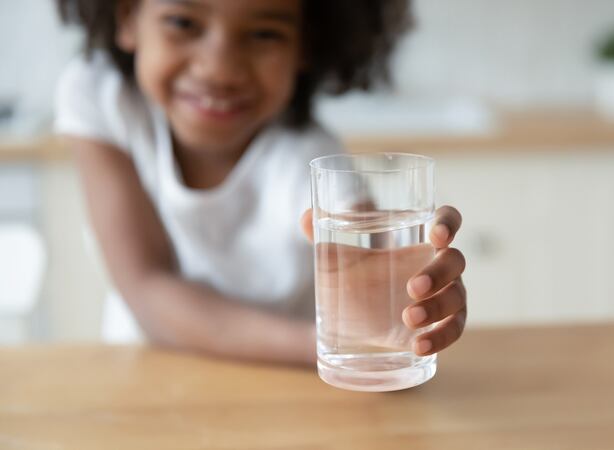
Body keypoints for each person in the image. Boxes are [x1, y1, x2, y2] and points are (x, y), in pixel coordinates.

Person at [54, 0, 467, 366]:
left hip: (288, 390)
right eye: (183, 22)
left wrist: (398, 311)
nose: (220, 69)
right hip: (146, 374)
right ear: (127, 15)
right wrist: (323, 344)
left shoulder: (310, 163)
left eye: (264, 33)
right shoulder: (101, 97)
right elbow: (148, 290)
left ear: (306, 44)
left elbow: (375, 295)